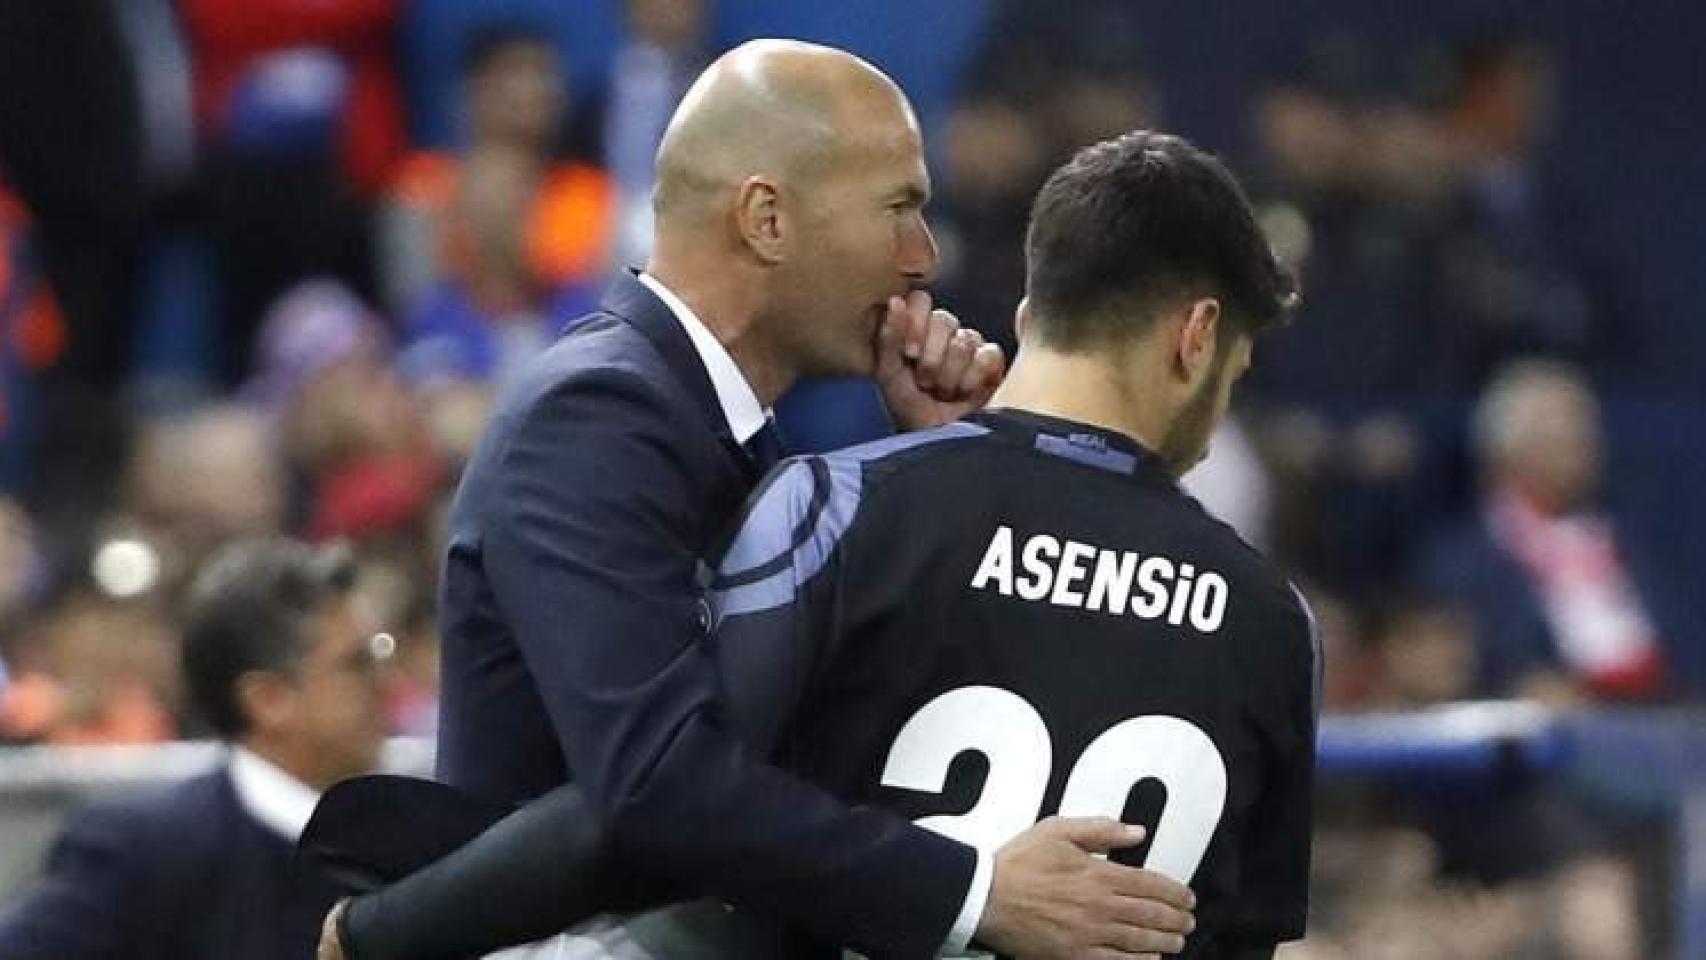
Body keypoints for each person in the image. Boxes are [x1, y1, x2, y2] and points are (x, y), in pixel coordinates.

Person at [322, 129, 1315, 959]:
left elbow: (656, 810)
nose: (918, 254)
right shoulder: (1271, 620)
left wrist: (378, 934)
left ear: (1026, 312)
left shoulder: (841, 508)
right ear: (1195, 337)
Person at [0, 538, 389, 959]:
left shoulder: (408, 846)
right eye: (358, 664)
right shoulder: (142, 853)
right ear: (267, 699)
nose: (385, 685)